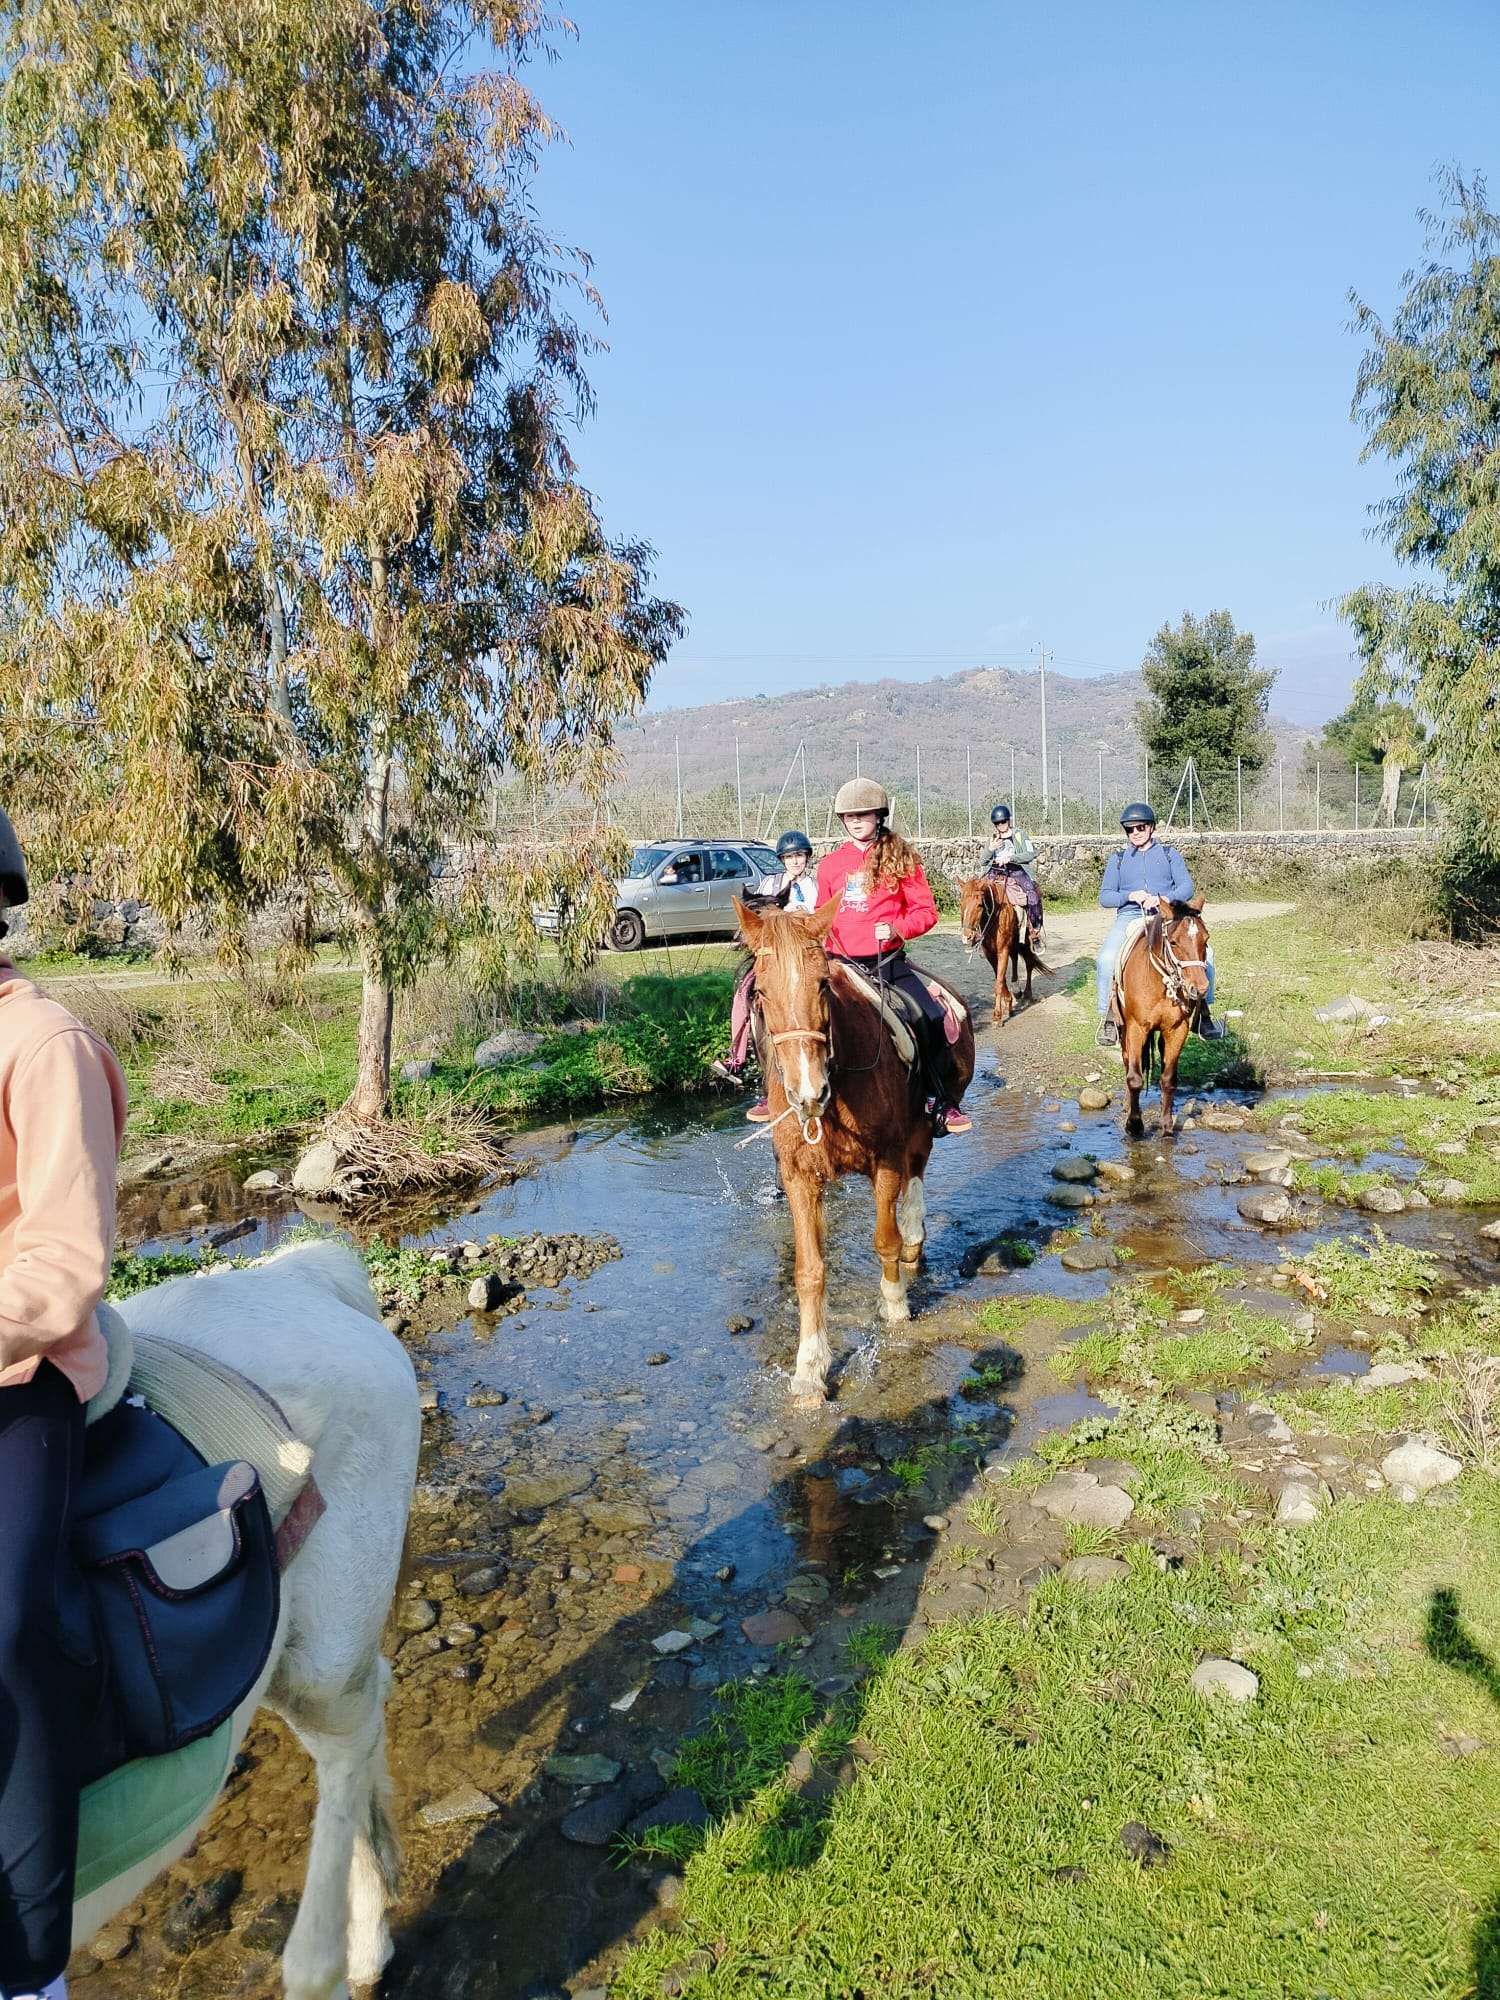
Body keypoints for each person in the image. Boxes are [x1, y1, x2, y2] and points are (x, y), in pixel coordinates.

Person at [0, 806, 128, 2000]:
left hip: (21, 1367)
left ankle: (33, 1965)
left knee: (8, 1629)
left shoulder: (40, 1044)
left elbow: (60, 1264)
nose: (868, 825)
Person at [817, 778, 972, 1136]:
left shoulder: (901, 858)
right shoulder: (829, 866)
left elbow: (926, 912)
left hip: (885, 964)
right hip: (838, 965)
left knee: (929, 1017)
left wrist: (897, 928)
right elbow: (819, 914)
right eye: (849, 815)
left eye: (863, 814)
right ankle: (783, 1097)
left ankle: (939, 1099)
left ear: (878, 815)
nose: (856, 821)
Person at [1095, 801, 1222, 1047]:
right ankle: (1109, 1017)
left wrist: (1163, 900)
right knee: (1106, 959)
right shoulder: (1118, 860)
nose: (1135, 833)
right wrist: (1129, 896)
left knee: (1208, 956)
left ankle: (1203, 1014)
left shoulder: (1169, 854)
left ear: (1152, 827)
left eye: (1140, 827)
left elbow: (1186, 887)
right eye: (1130, 830)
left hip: (1167, 917)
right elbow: (1105, 896)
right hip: (1130, 916)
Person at [713, 831, 820, 1110]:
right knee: (743, 993)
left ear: (806, 857)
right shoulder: (770, 883)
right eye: (790, 857)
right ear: (782, 859)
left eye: (799, 856)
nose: (795, 861)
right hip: (774, 956)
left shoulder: (815, 887)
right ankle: (736, 1057)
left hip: (804, 955)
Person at [984, 803, 1046, 953]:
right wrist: (990, 849)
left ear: (1008, 821)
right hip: (995, 872)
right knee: (976, 894)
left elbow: (1030, 853)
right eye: (997, 823)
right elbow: (982, 861)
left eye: (1003, 822)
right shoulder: (993, 838)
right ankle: (978, 932)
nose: (1001, 825)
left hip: (1017, 871)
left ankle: (1034, 932)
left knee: (1032, 895)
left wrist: (1011, 858)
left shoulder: (1020, 834)